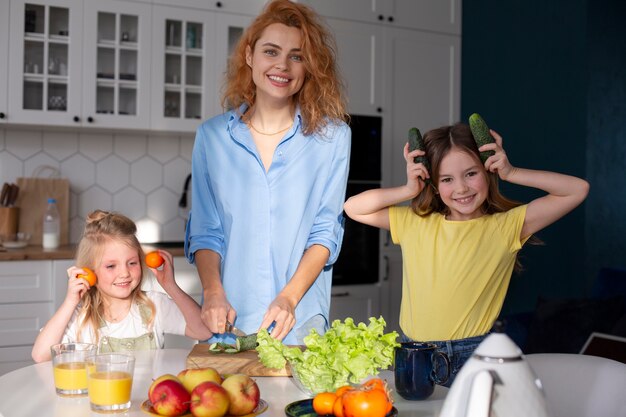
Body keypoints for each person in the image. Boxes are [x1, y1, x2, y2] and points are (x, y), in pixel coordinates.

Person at [343, 122, 589, 385]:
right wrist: (408, 190)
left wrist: (511, 171)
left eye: (471, 174)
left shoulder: (507, 226)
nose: (461, 188)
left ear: (487, 171)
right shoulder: (415, 221)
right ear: (434, 185)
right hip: (412, 352)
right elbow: (353, 207)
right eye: (447, 179)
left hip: (470, 356)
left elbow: (577, 189)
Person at [184, 0, 350, 345]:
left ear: (308, 67)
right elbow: (205, 229)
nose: (282, 66)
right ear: (250, 56)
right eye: (271, 52)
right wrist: (213, 292)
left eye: (297, 56)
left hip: (298, 320)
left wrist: (288, 298)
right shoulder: (212, 137)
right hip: (229, 321)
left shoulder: (333, 138)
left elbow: (325, 231)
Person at [31, 210, 212, 362]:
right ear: (89, 271)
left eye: (132, 263)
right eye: (111, 266)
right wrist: (70, 302)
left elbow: (203, 331)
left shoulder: (154, 305)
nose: (124, 273)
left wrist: (171, 286)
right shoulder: (81, 315)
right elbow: (41, 355)